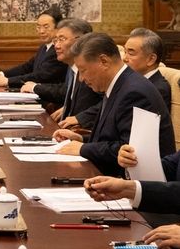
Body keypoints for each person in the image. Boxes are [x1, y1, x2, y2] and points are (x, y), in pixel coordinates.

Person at [53, 33, 175, 177]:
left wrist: (83, 148)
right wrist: (81, 139)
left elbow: (129, 151)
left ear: (104, 61)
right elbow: (111, 137)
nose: (81, 78)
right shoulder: (119, 84)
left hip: (132, 183)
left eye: (83, 70)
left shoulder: (134, 92)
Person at [21, 19, 101, 125]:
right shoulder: (71, 67)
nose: (56, 46)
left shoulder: (93, 71)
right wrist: (68, 106)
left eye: (62, 39)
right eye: (56, 40)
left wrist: (80, 117)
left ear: (81, 41)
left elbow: (107, 103)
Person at [0, 7, 67, 88]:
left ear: (57, 28)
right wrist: (1, 74)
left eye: (46, 27)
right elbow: (27, 67)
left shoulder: (58, 50)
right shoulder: (44, 47)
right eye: (38, 27)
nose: (41, 31)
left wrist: (7, 81)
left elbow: (40, 76)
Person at [123, 27, 172, 109]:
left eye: (131, 53)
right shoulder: (128, 79)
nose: (124, 58)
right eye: (125, 52)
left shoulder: (157, 90)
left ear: (151, 59)